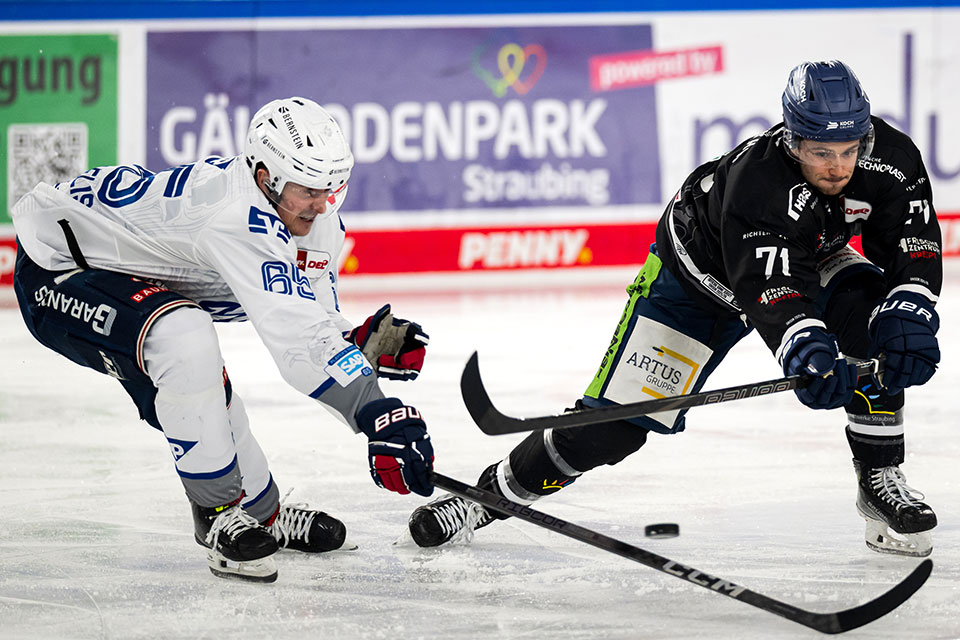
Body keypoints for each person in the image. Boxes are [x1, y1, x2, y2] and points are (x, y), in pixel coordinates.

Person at [408, 60, 941, 557]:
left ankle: (879, 479)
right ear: (792, 137)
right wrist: (804, 346)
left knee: (883, 331)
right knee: (610, 429)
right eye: (821, 152)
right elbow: (768, 287)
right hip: (696, 286)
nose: (838, 166)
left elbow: (913, 243)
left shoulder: (891, 156)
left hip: (812, 259)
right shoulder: (758, 183)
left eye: (849, 149)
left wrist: (910, 309)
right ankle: (483, 501)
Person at [12, 96, 435, 583]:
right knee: (181, 336)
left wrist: (356, 342)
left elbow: (312, 322)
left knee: (193, 364)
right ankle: (215, 515)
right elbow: (296, 341)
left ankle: (262, 514)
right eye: (307, 189)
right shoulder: (235, 215)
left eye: (332, 187)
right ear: (263, 177)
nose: (322, 205)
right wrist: (374, 412)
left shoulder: (315, 224)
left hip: (127, 272)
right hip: (57, 270)